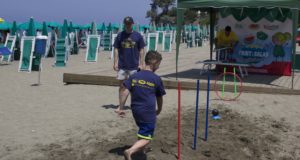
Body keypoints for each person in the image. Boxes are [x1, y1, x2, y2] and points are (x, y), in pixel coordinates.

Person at [122, 50, 166, 160]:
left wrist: (121, 106)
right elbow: (159, 97)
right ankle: (130, 151)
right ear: (154, 63)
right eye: (158, 65)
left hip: (135, 110)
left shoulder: (135, 76)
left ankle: (141, 149)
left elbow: (125, 90)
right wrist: (159, 109)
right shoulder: (156, 78)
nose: (158, 67)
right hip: (148, 111)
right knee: (147, 138)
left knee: (143, 130)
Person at [113, 16, 146, 116]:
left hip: (134, 66)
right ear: (124, 24)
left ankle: (134, 105)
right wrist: (115, 62)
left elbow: (142, 50)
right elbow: (116, 49)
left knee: (135, 88)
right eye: (126, 23)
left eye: (129, 23)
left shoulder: (138, 36)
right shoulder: (120, 36)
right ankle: (121, 106)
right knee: (122, 87)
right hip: (122, 65)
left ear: (132, 24)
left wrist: (142, 63)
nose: (128, 25)